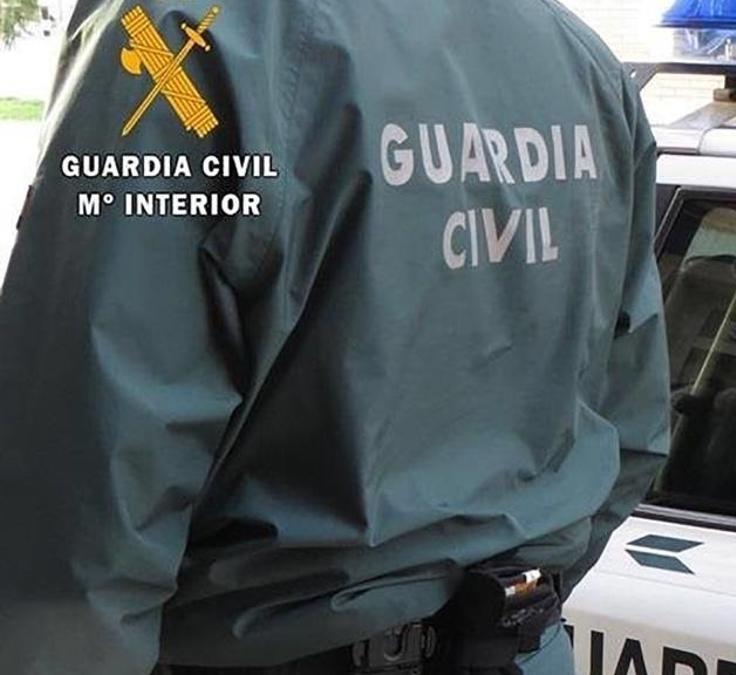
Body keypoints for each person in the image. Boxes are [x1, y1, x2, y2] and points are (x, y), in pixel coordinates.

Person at [0, 2, 669, 673]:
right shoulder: (580, 60)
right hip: (523, 646)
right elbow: (631, 421)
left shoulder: (185, 35)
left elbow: (82, 498)